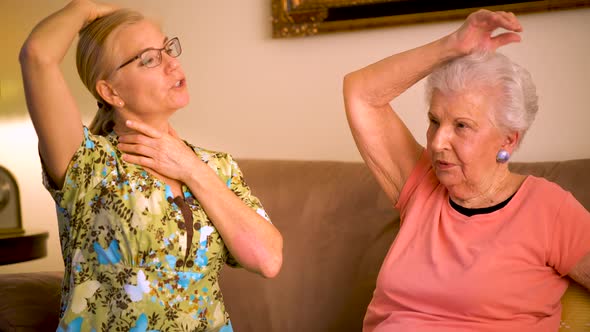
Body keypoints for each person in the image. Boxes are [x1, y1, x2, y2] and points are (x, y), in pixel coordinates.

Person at [19, 0, 283, 331]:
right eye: (149, 59)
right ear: (111, 91)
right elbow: (37, 56)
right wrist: (83, 8)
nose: (172, 64)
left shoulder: (217, 167)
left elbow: (268, 259)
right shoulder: (87, 162)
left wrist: (190, 168)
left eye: (168, 49)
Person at [343, 9, 590, 332]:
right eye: (434, 121)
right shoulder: (420, 186)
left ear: (508, 140)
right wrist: (452, 46)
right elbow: (359, 92)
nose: (438, 142)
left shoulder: (548, 210)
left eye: (461, 126)